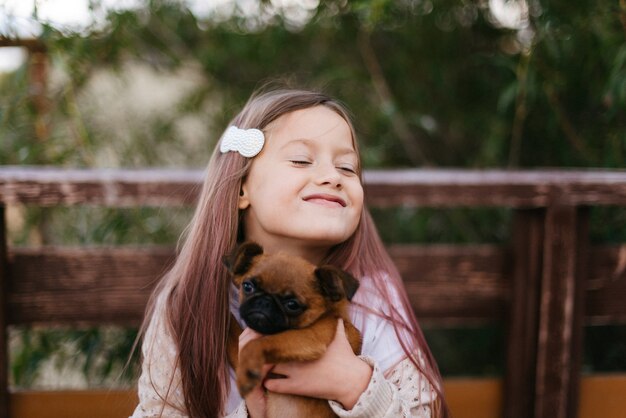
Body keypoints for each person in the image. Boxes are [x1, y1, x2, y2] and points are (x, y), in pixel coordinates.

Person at [130, 87, 449, 418]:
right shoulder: (187, 304)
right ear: (241, 187)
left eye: (347, 168)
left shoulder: (374, 298)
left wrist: (355, 385)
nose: (331, 177)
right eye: (301, 160)